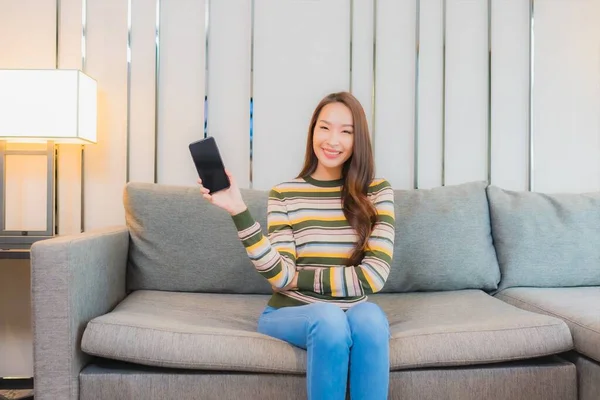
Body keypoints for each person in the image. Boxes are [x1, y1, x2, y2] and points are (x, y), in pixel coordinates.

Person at [197, 92, 395, 400]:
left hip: (353, 310)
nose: (333, 140)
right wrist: (238, 210)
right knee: (328, 318)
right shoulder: (285, 194)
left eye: (346, 131)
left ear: (359, 140)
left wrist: (300, 276)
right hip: (291, 313)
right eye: (324, 128)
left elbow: (373, 276)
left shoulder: (377, 192)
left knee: (370, 319)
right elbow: (279, 277)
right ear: (313, 131)